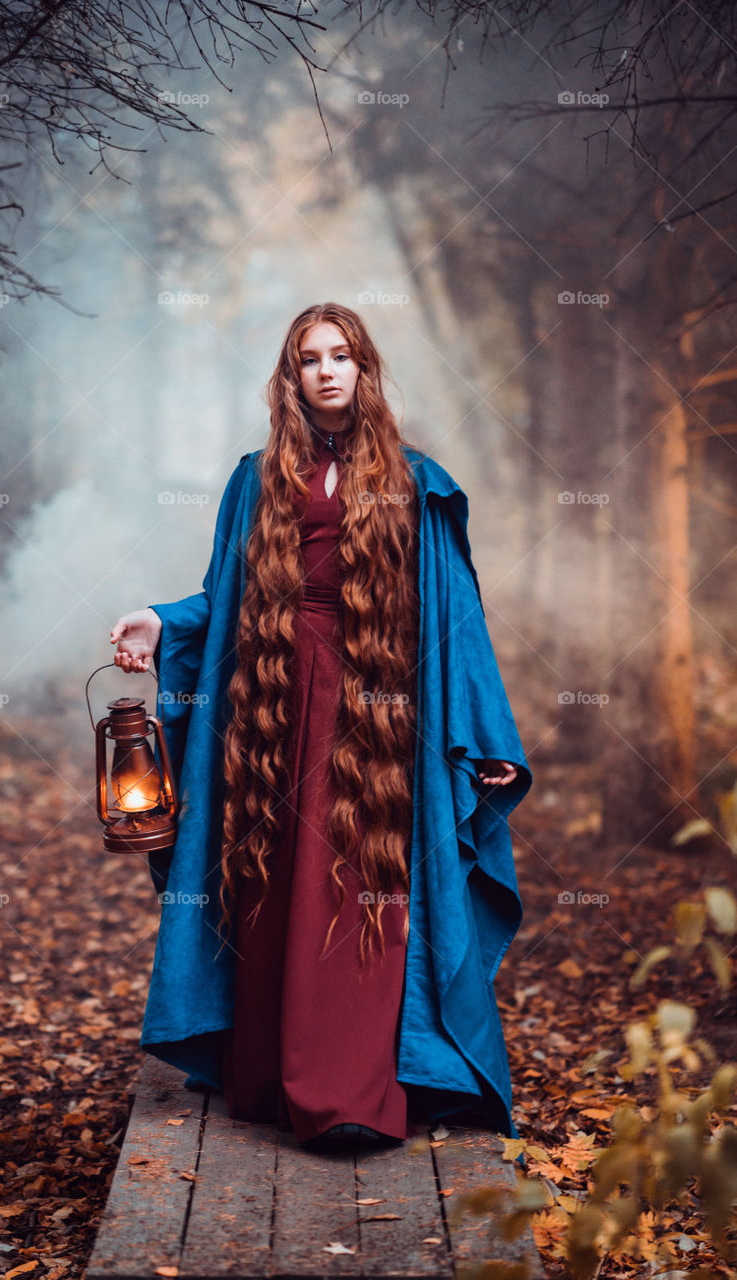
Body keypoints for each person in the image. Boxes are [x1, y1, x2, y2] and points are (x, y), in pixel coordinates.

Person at [108, 302, 532, 1151]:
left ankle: (347, 1092)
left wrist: (483, 736)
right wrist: (161, 620)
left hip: (378, 710)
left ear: (365, 369)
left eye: (342, 355)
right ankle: (268, 1069)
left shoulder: (416, 481)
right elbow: (228, 598)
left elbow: (455, 618)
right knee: (278, 877)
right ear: (292, 377)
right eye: (311, 359)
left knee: (360, 880)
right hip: (273, 705)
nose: (328, 370)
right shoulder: (254, 479)